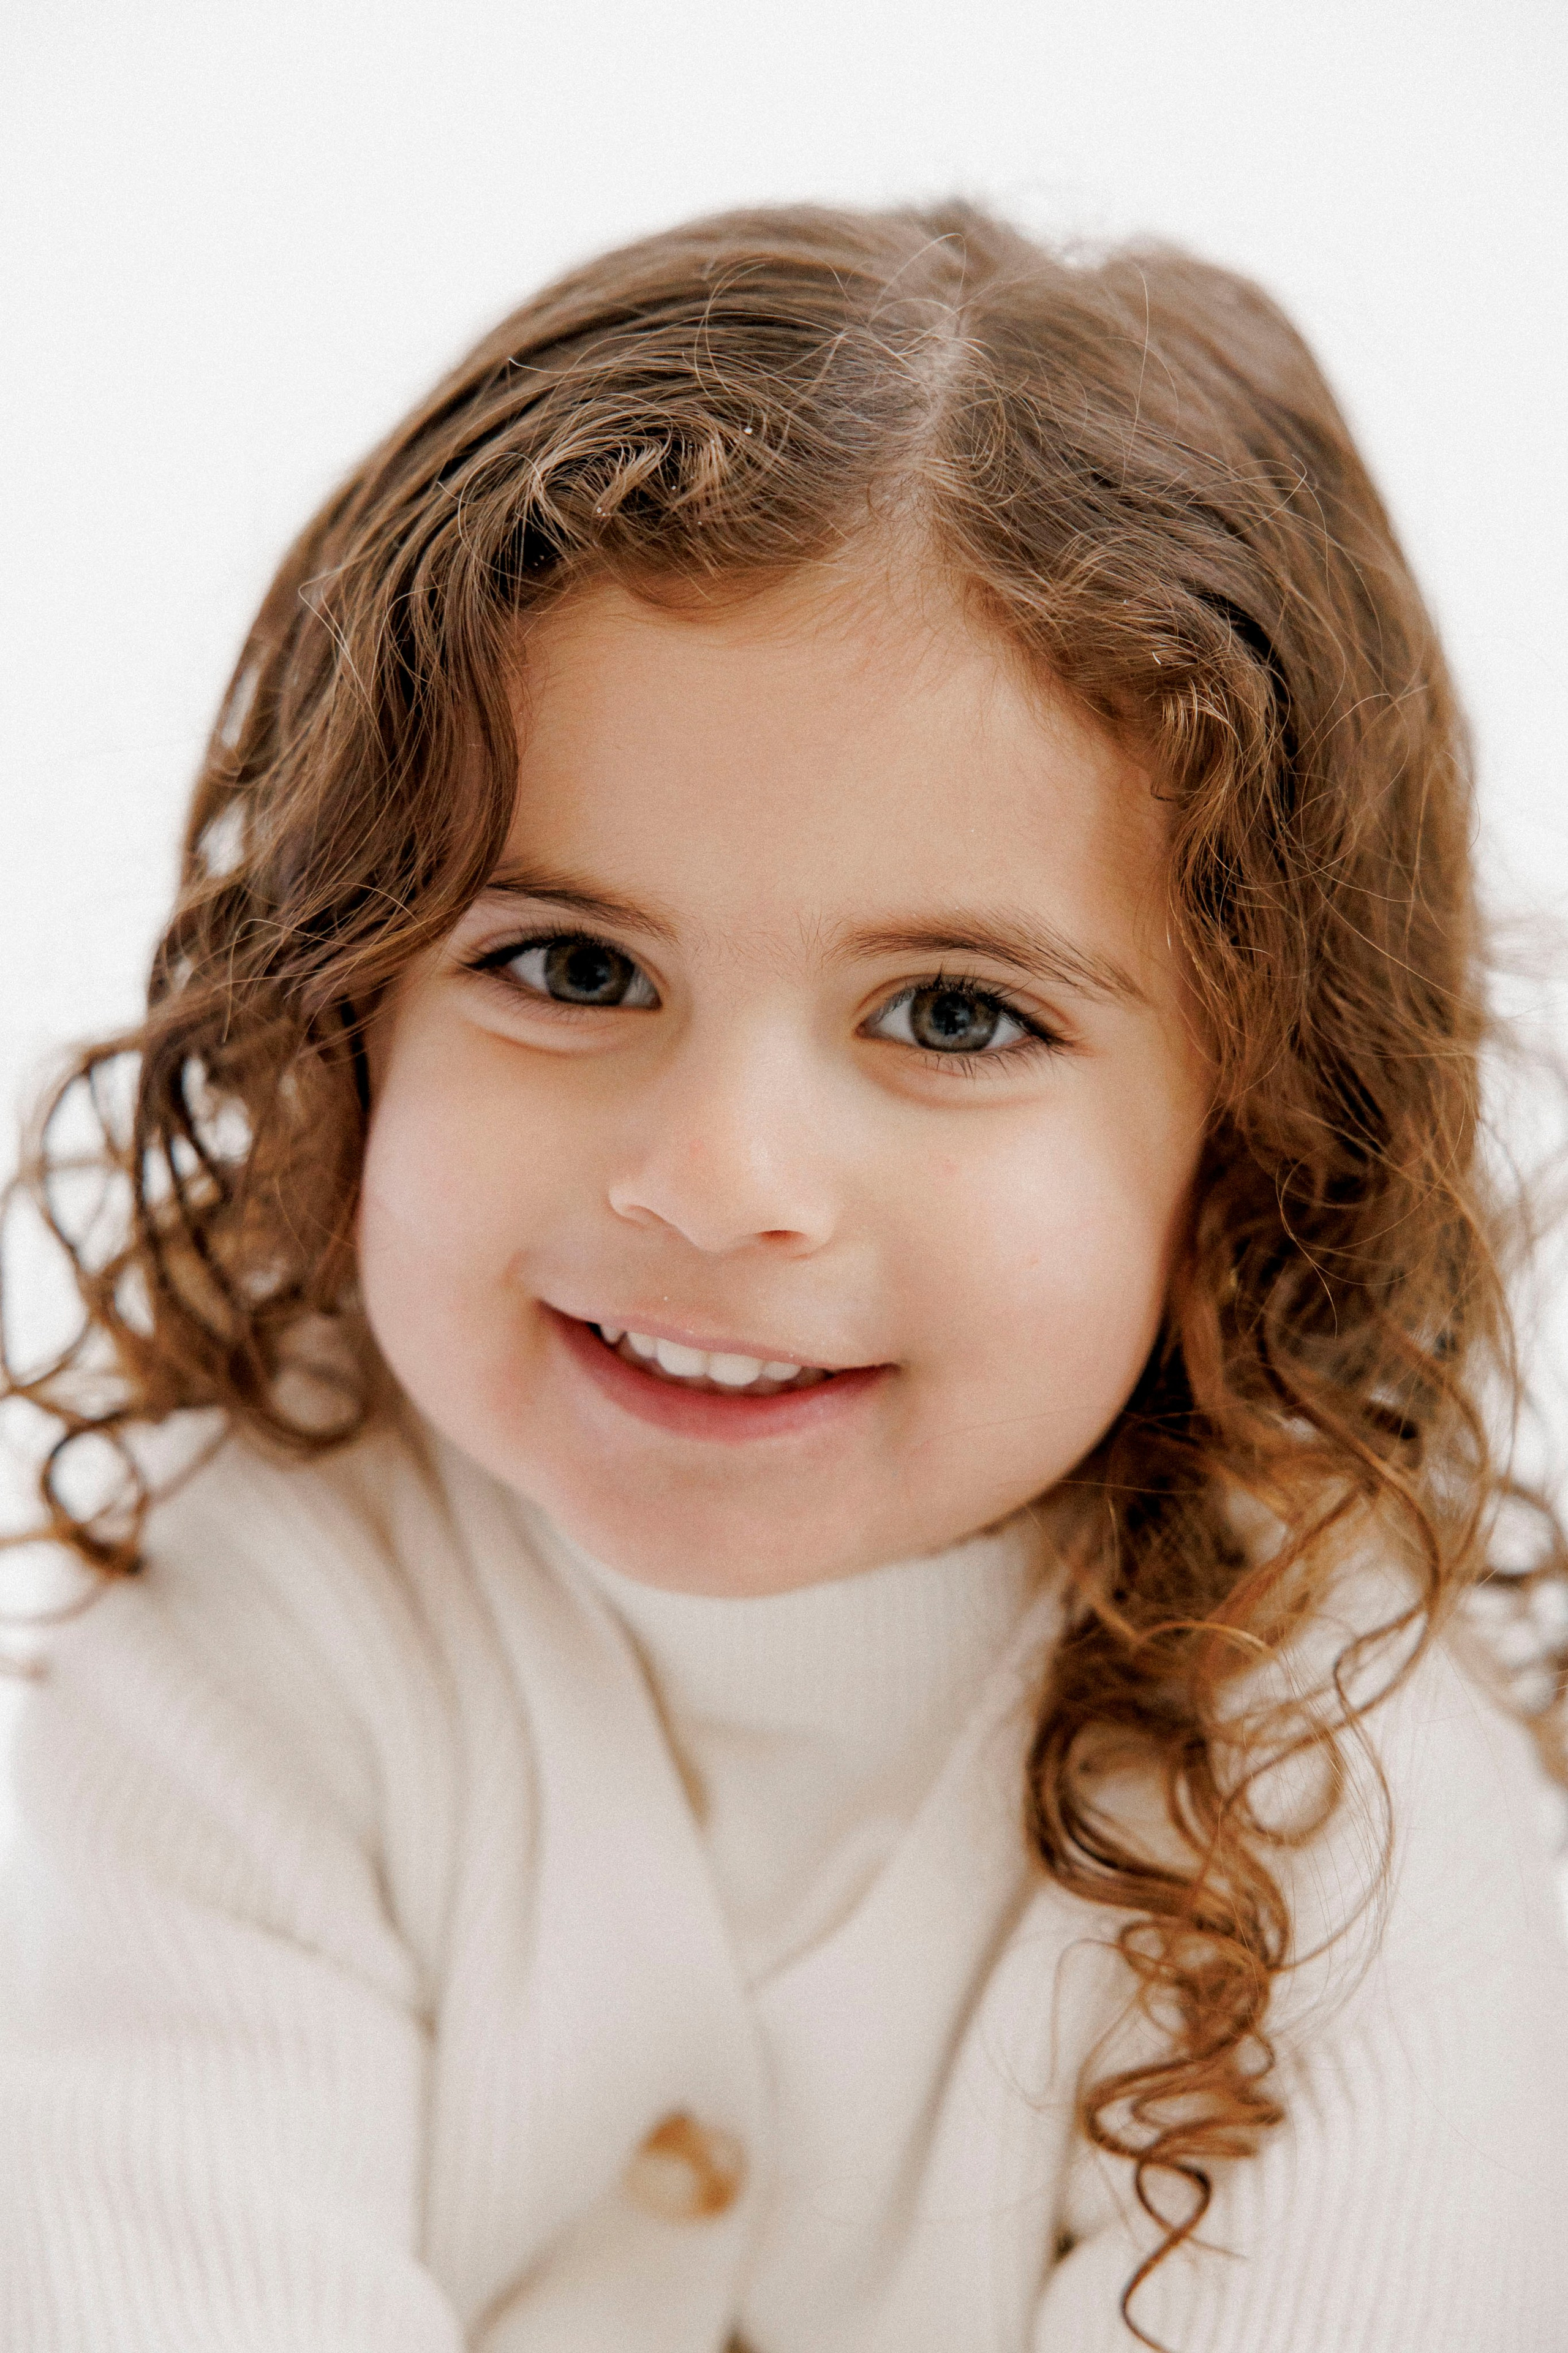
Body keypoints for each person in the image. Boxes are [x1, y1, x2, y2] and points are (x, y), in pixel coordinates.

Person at [1, 200, 1565, 2353]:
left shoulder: (1342, 1796)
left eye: (951, 1017)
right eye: (571, 966)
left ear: (1258, 1140)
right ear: (345, 1006)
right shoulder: (259, 1635)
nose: (722, 1182)